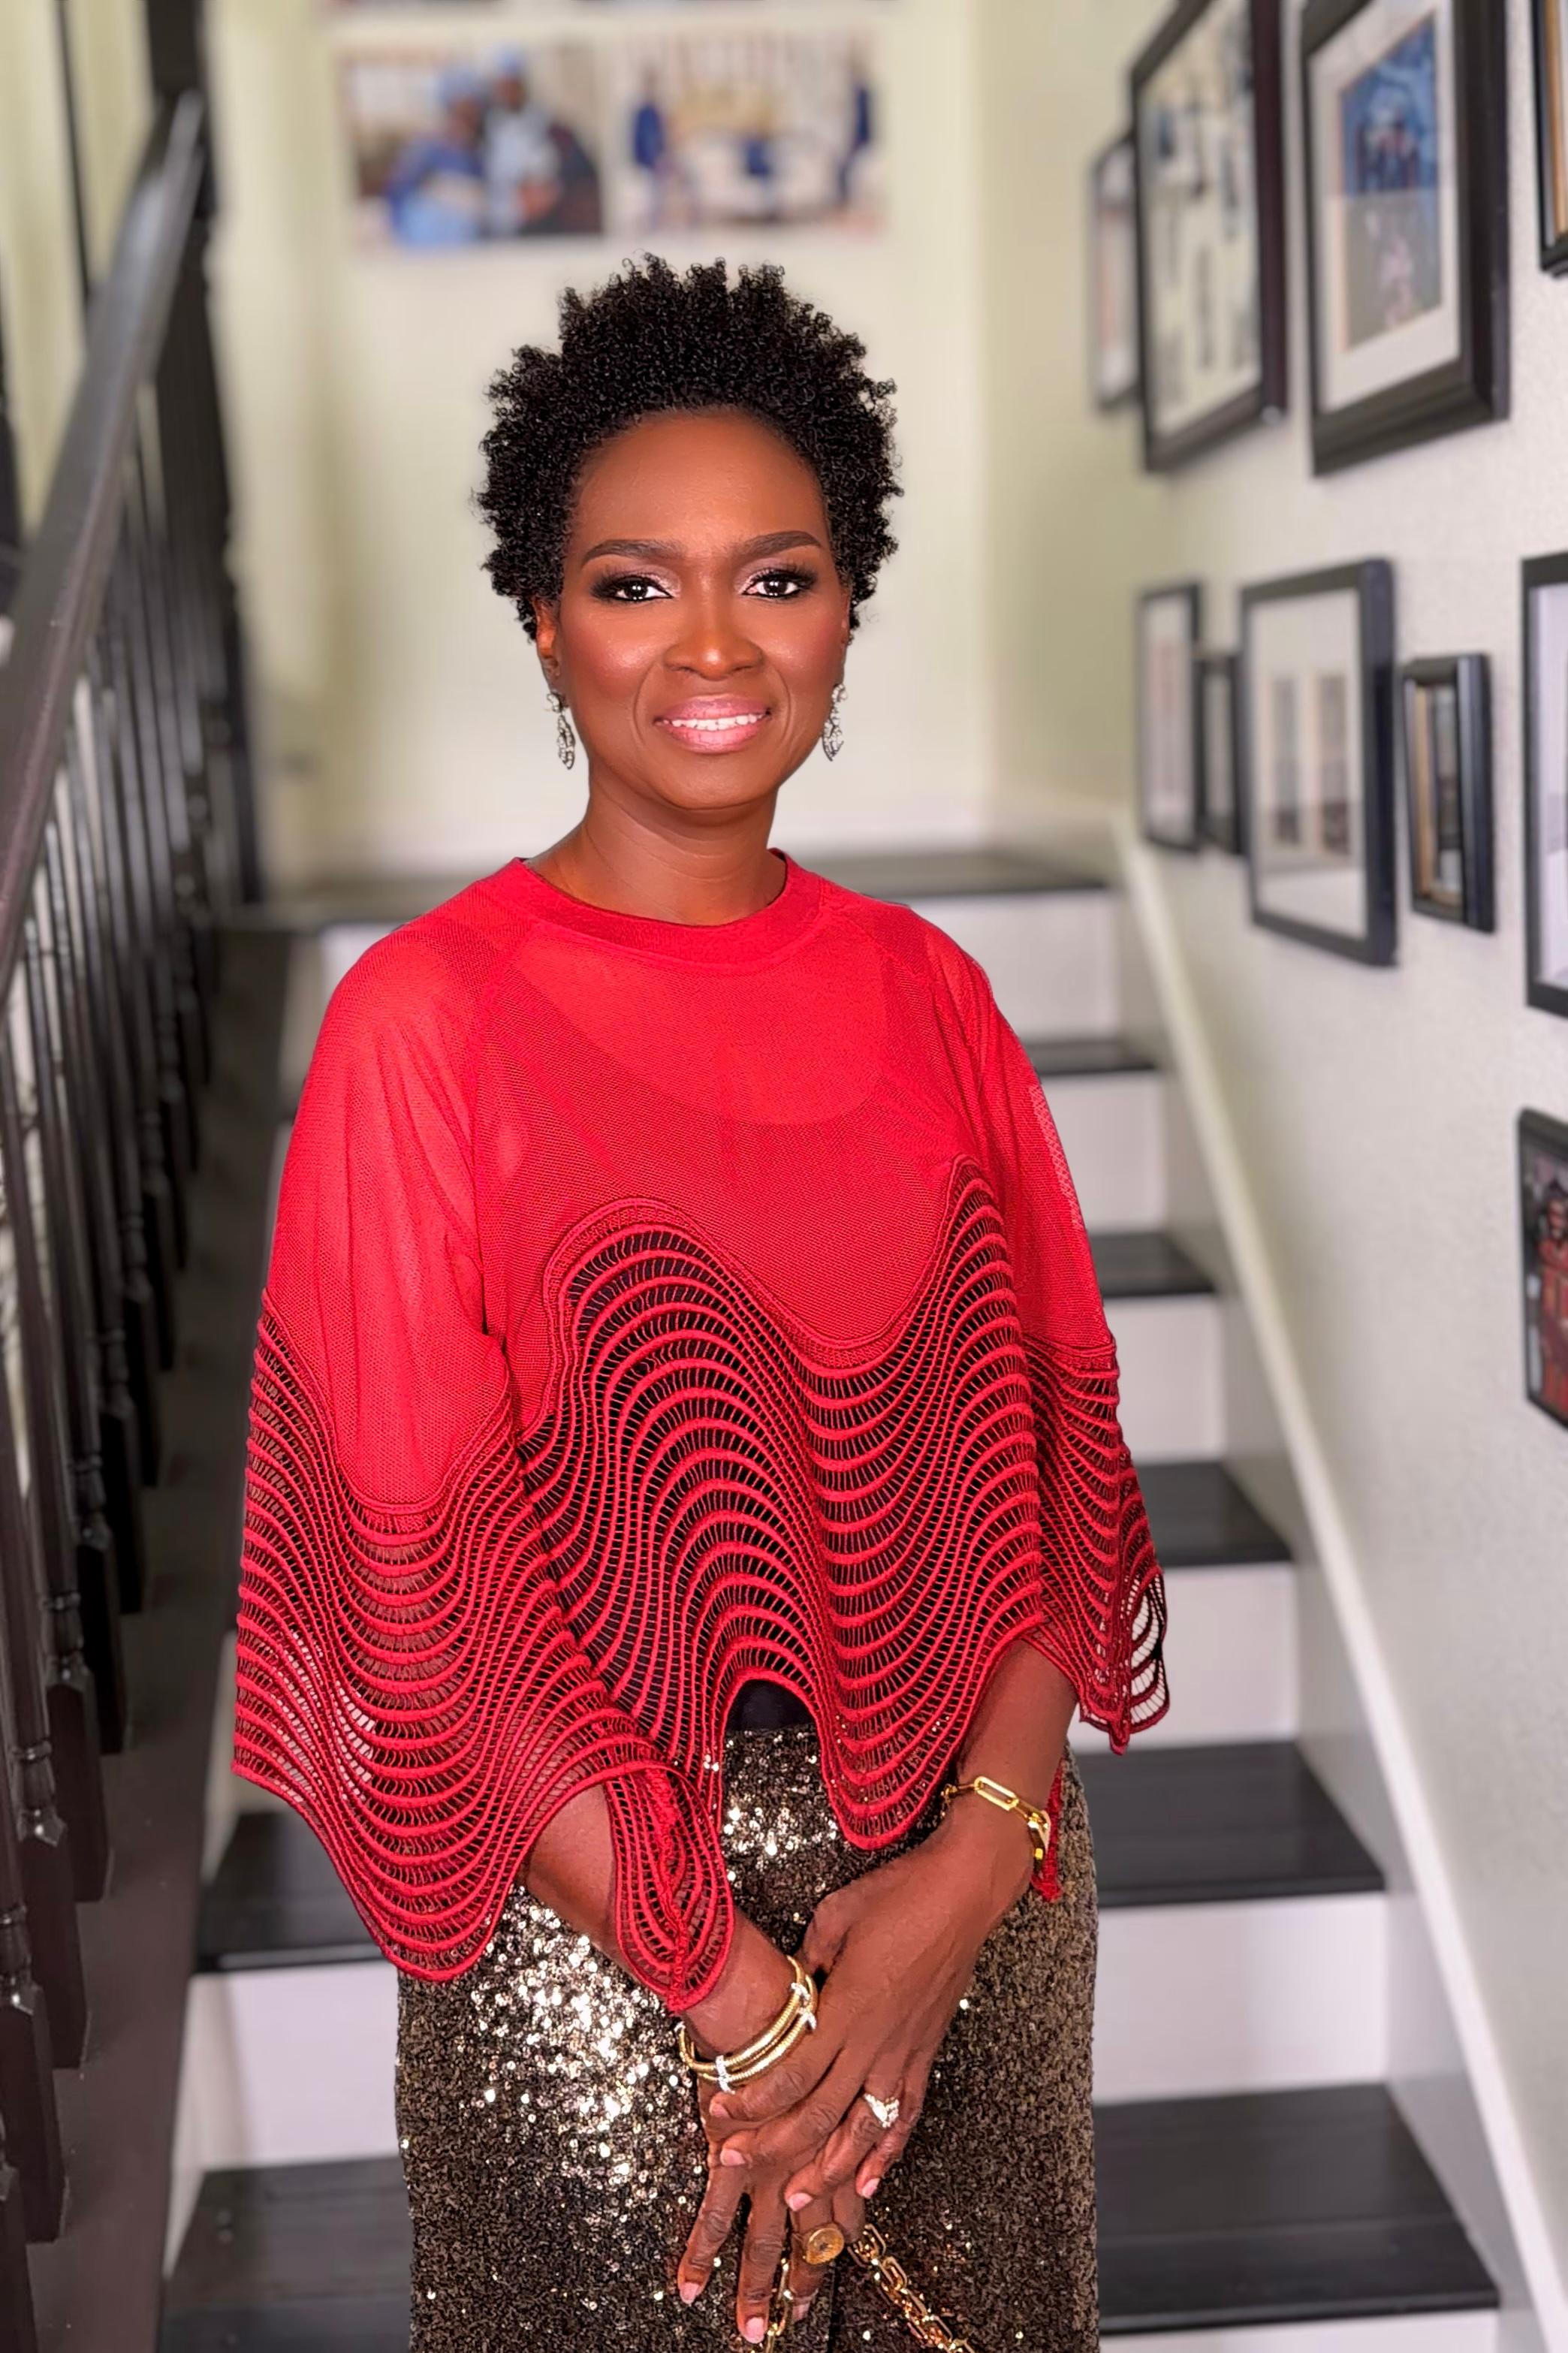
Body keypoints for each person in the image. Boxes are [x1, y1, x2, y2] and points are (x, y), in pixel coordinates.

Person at [232, 255, 1168, 2352]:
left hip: (972, 1911)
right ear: (546, 627)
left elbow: (1041, 1493)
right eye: (637, 586)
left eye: (782, 573)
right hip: (599, 1965)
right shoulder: (420, 1028)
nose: (718, 645)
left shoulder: (940, 1001)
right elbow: (419, 1591)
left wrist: (960, 1882)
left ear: (848, 607)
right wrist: (740, 2000)